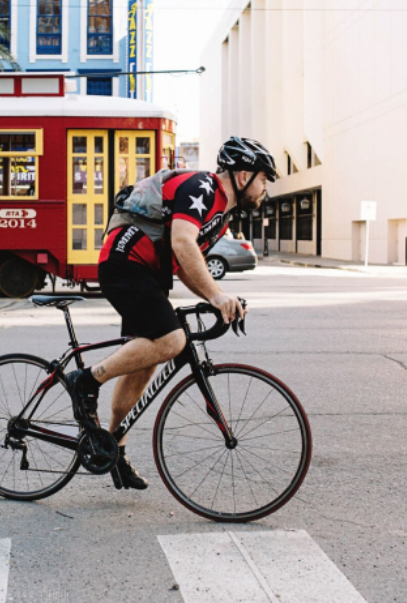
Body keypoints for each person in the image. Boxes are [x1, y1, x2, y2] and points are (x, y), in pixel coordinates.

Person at [66, 137, 277, 491]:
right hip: (125, 262)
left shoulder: (222, 216)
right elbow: (182, 241)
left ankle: (112, 451)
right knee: (172, 340)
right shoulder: (203, 188)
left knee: (145, 360)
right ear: (243, 176)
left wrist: (215, 299)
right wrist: (217, 294)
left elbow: (183, 266)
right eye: (263, 178)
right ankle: (86, 380)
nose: (265, 187)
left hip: (147, 273)